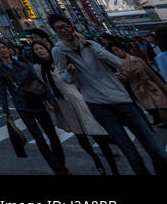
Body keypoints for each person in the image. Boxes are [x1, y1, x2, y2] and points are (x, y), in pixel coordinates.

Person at [48, 13, 167, 175]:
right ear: (55, 31)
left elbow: (117, 63)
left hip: (121, 99)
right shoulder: (58, 51)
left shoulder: (91, 44)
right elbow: (65, 78)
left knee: (152, 145)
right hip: (98, 105)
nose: (63, 30)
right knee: (129, 151)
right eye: (58, 29)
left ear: (71, 26)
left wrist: (92, 47)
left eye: (65, 26)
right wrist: (72, 72)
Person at [32, 41, 120, 175]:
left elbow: (78, 78)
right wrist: (48, 101)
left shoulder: (61, 61)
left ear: (47, 48)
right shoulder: (38, 68)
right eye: (36, 49)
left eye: (41, 48)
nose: (40, 51)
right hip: (62, 104)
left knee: (97, 133)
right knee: (80, 136)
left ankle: (113, 168)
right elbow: (44, 87)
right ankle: (96, 159)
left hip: (78, 98)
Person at [0, 39, 69, 175]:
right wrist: (5, 111)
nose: (2, 50)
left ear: (9, 49)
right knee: (39, 139)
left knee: (53, 136)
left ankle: (61, 164)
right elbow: (2, 90)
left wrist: (49, 100)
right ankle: (59, 170)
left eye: (4, 47)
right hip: (22, 107)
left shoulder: (22, 64)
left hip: (37, 102)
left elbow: (39, 82)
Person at [110, 41, 167, 126]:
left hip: (150, 85)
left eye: (117, 50)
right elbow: (125, 80)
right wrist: (122, 77)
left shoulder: (137, 60)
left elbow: (151, 74)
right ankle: (159, 120)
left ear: (123, 49)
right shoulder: (118, 65)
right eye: (113, 52)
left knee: (162, 105)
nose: (116, 53)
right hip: (138, 89)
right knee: (151, 108)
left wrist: (163, 87)